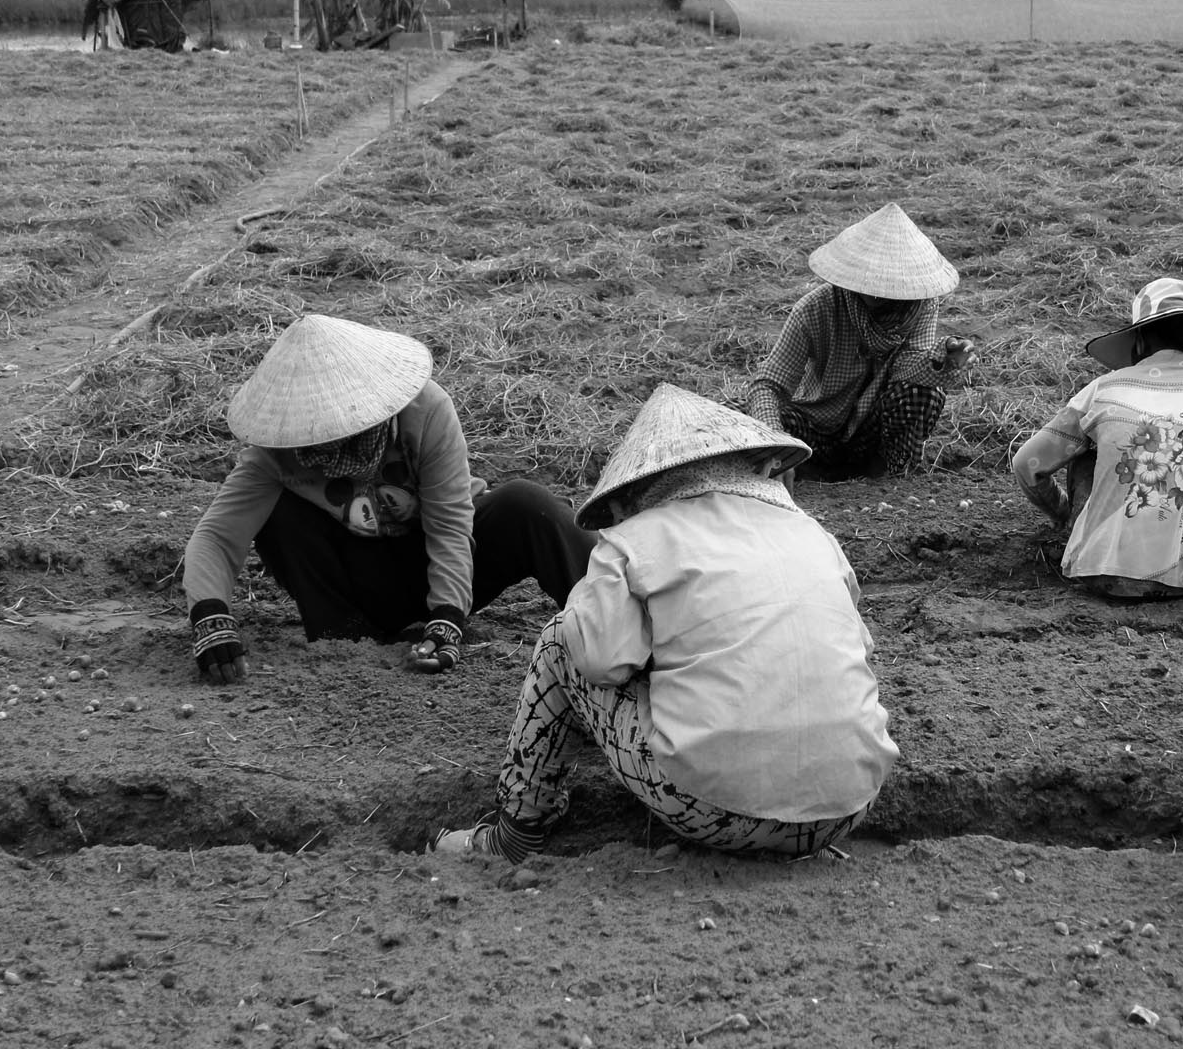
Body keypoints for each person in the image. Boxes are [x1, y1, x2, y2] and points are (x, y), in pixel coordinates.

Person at [432, 383, 898, 863]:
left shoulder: (633, 541)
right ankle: (799, 821)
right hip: (848, 805)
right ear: (749, 465)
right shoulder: (812, 534)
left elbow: (598, 663)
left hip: (712, 810)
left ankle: (517, 830)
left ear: (638, 487)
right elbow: (859, 648)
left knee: (560, 641)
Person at [183, 313, 597, 681]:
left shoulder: (426, 411)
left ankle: (610, 615)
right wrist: (210, 614)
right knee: (278, 514)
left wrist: (448, 617)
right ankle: (344, 641)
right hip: (357, 583)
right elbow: (217, 537)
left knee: (527, 504)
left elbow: (450, 524)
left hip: (448, 560)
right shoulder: (274, 453)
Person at [1011, 278, 1183, 600]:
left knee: (1089, 454)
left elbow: (1027, 464)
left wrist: (1063, 514)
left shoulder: (1104, 390)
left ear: (1139, 341)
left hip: (1105, 573)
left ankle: (1105, 543)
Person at [746, 202, 975, 480]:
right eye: (874, 288)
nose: (883, 297)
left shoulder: (920, 306)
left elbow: (906, 367)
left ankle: (884, 477)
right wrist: (777, 448)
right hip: (817, 428)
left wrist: (943, 361)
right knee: (742, 416)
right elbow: (770, 385)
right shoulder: (815, 309)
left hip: (873, 435)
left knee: (923, 394)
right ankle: (806, 468)